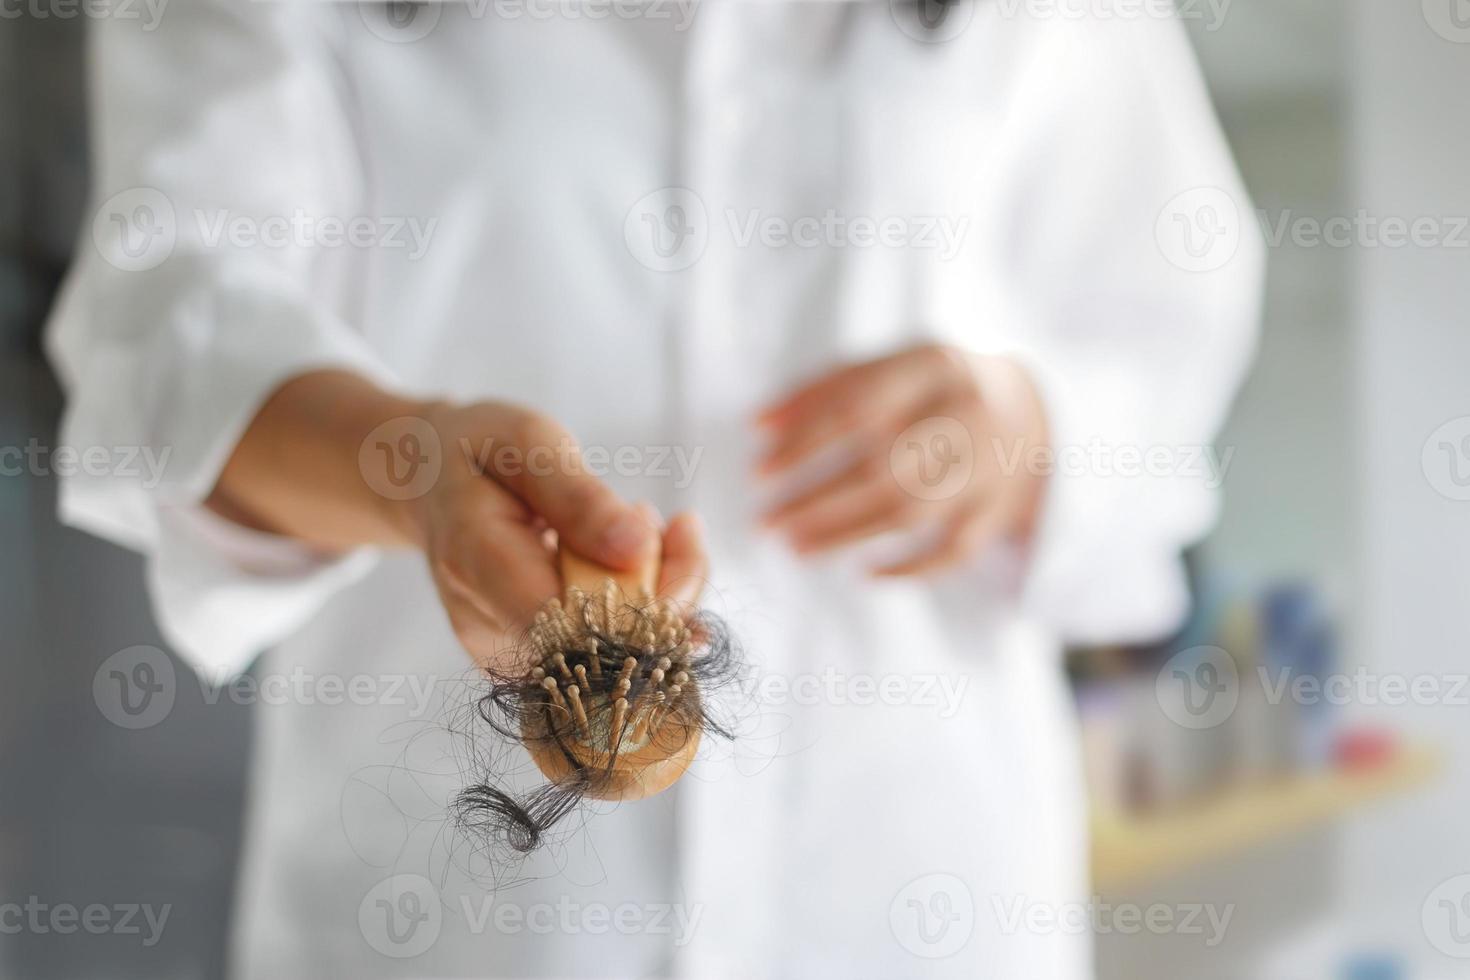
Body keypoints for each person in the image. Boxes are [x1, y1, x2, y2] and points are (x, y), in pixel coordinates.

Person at [46, 1, 1261, 976]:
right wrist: (414, 469)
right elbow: (163, 332)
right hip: (452, 926)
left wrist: (1031, 431)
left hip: (914, 890)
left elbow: (1172, 331)